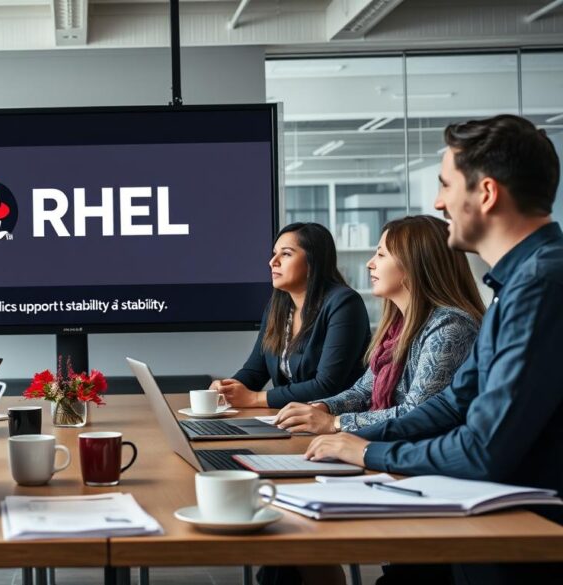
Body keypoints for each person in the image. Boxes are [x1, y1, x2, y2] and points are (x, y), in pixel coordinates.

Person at [305, 115, 563, 584]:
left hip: (526, 541)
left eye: (445, 185)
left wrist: (368, 453)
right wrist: (357, 441)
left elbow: (484, 449)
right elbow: (454, 402)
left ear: (485, 194)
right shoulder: (518, 283)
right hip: (500, 525)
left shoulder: (540, 285)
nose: (438, 201)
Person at [275, 216, 483, 435]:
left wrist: (334, 423)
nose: (370, 263)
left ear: (414, 263)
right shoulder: (398, 327)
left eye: (381, 254)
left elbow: (417, 413)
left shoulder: (450, 326)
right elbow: (364, 391)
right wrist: (322, 407)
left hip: (419, 457)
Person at [212, 222, 371, 409]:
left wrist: (254, 399)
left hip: (334, 421)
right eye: (274, 253)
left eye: (286, 254)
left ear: (313, 262)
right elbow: (255, 371)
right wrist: (226, 388)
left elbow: (327, 386)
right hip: (291, 419)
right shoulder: (277, 306)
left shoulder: (344, 304)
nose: (273, 262)